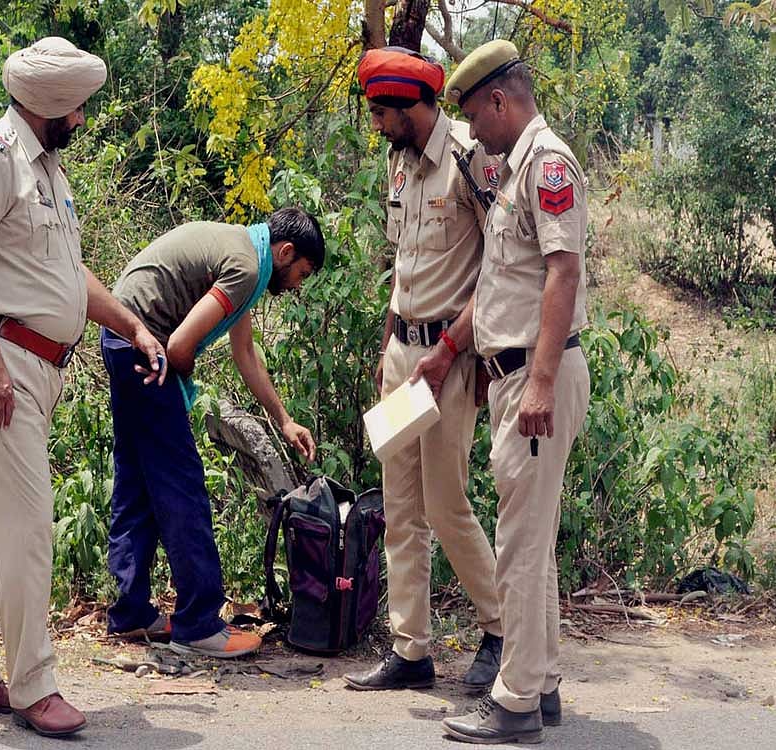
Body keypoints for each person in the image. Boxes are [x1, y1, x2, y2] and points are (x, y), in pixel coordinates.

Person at [0, 37, 166, 738]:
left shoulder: (49, 172)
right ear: (55, 105)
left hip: (33, 367)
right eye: (81, 106)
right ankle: (33, 685)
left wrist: (134, 324)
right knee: (31, 527)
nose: (85, 117)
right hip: (2, 365)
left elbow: (68, 277)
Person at [435, 40, 591, 744]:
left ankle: (516, 700)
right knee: (534, 541)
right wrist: (452, 353)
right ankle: (545, 681)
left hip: (537, 375)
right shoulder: (513, 168)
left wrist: (541, 383)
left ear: (501, 101)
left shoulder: (548, 162)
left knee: (518, 546)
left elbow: (564, 272)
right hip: (515, 374)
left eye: (475, 116)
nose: (472, 133)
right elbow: (507, 284)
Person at [342, 46, 504, 693]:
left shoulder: (472, 158)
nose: (376, 124)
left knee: (446, 506)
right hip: (404, 357)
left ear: (414, 106)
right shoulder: (400, 162)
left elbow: (501, 266)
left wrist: (448, 352)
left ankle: (501, 631)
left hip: (450, 358)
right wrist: (389, 347)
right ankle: (411, 651)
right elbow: (402, 266)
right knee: (401, 510)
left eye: (383, 113)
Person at [101, 208, 323, 658]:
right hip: (144, 343)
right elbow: (181, 346)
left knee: (137, 481)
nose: (298, 285)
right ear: (285, 252)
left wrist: (283, 418)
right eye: (302, 273)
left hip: (121, 335)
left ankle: (132, 613)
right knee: (181, 486)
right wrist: (185, 385)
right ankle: (198, 624)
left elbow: (244, 353)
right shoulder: (244, 265)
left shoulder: (245, 256)